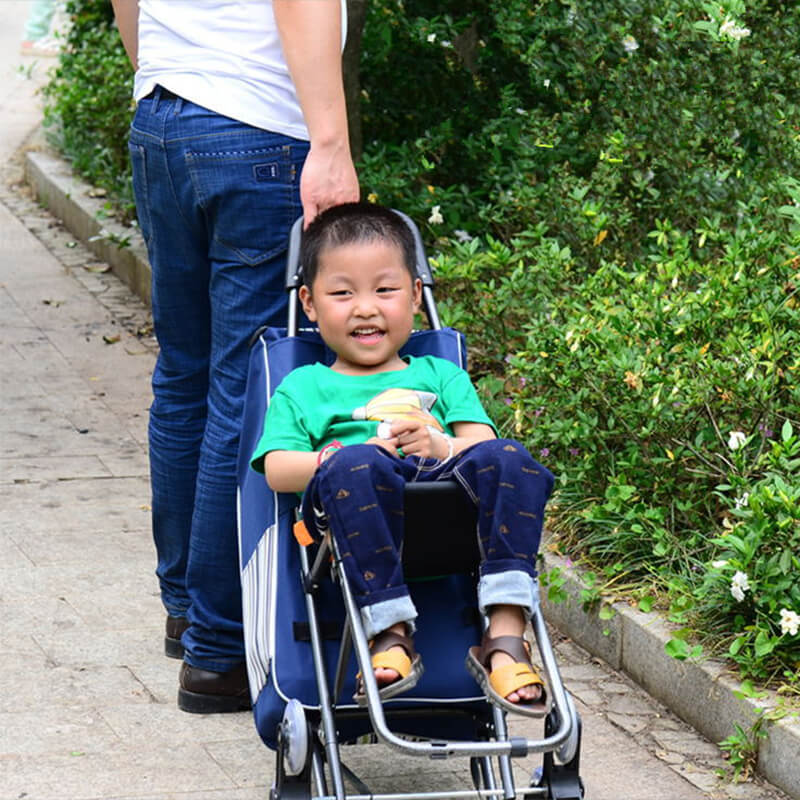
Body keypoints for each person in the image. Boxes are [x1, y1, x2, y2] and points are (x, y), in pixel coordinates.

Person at [110, 0, 359, 713]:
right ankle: (218, 653)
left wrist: (175, 75)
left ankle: (188, 611)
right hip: (256, 127)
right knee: (240, 392)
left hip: (163, 118)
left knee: (183, 380)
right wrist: (331, 144)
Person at [251, 203, 555, 716]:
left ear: (415, 295)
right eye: (342, 293)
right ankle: (389, 633)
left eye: (385, 290)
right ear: (309, 304)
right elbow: (278, 470)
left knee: (511, 457)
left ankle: (504, 638)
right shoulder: (304, 386)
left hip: (450, 514)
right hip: (349, 518)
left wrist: (440, 446)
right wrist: (335, 457)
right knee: (354, 467)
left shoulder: (439, 373)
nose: (365, 308)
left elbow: (480, 444)